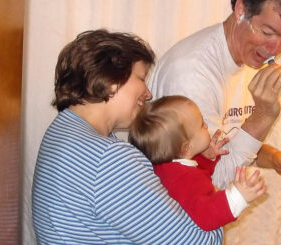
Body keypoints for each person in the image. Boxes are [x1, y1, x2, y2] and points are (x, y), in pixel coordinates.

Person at [31, 29, 222, 244]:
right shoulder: (107, 158)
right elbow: (199, 242)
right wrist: (213, 196)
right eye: (141, 78)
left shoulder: (62, 131)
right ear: (111, 79)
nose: (148, 94)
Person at [148, 0, 281, 190]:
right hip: (177, 215)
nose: (275, 49)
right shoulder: (191, 75)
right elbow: (214, 180)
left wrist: (273, 157)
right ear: (241, 11)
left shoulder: (247, 55)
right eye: (267, 32)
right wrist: (263, 116)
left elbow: (229, 143)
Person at [128, 95, 266, 231]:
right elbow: (207, 215)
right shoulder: (184, 179)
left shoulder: (168, 169)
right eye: (201, 125)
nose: (206, 125)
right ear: (187, 147)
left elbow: (195, 171)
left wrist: (208, 158)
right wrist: (239, 196)